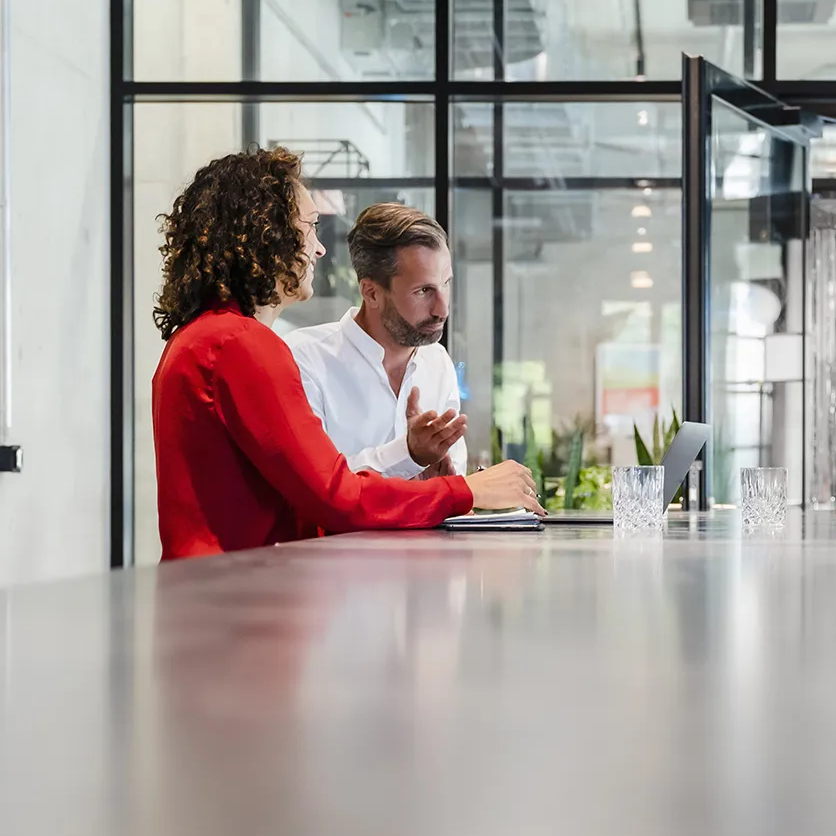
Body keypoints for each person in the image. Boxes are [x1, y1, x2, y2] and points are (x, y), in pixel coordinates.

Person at [151, 148, 543, 562]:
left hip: (214, 590)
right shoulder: (241, 344)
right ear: (267, 234)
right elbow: (335, 496)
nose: (319, 250)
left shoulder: (205, 338)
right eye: (310, 228)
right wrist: (465, 490)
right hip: (234, 598)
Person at [284, 203, 467, 481]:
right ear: (371, 293)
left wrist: (442, 481)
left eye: (446, 284)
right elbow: (313, 482)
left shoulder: (437, 361)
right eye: (424, 291)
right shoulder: (303, 359)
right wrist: (408, 454)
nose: (442, 309)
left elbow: (453, 479)